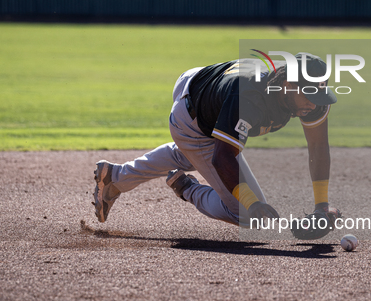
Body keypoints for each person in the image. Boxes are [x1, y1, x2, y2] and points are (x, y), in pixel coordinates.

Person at [92, 53, 341, 239]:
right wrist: (253, 204)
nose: (314, 103)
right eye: (309, 94)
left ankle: (114, 176)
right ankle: (187, 187)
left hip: (203, 85)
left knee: (196, 155)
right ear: (287, 84)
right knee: (244, 214)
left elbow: (318, 149)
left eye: (319, 94)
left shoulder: (310, 101)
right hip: (191, 118)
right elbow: (222, 158)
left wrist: (321, 207)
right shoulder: (250, 99)